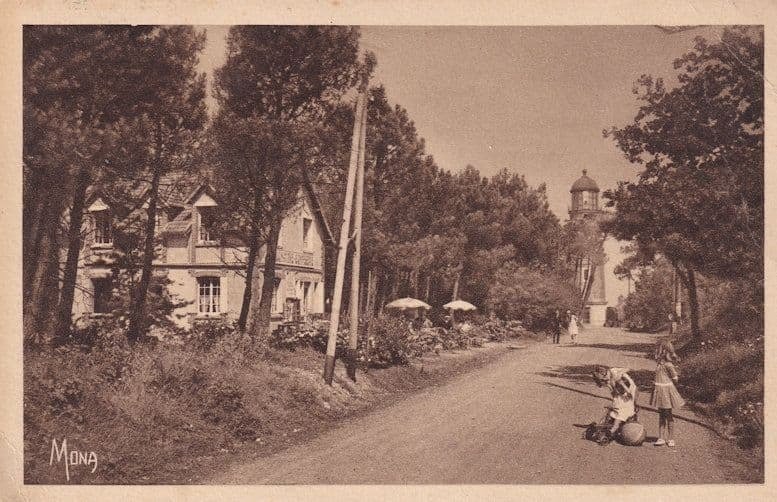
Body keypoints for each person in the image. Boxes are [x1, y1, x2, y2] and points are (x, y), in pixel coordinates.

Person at [651, 338, 685, 447]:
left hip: (666, 390)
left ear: (663, 352)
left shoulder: (668, 365)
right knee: (661, 414)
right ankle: (661, 437)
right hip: (660, 390)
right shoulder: (660, 364)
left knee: (668, 414)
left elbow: (675, 378)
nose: (656, 353)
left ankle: (670, 438)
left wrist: (668, 382)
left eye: (658, 351)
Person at [592, 366, 638, 443]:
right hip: (620, 391)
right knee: (616, 405)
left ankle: (614, 428)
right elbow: (613, 391)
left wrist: (628, 395)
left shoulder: (615, 374)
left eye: (603, 379)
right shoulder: (607, 379)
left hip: (627, 388)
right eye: (602, 381)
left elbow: (625, 388)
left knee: (623, 409)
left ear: (604, 373)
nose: (604, 381)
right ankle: (612, 424)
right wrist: (614, 400)